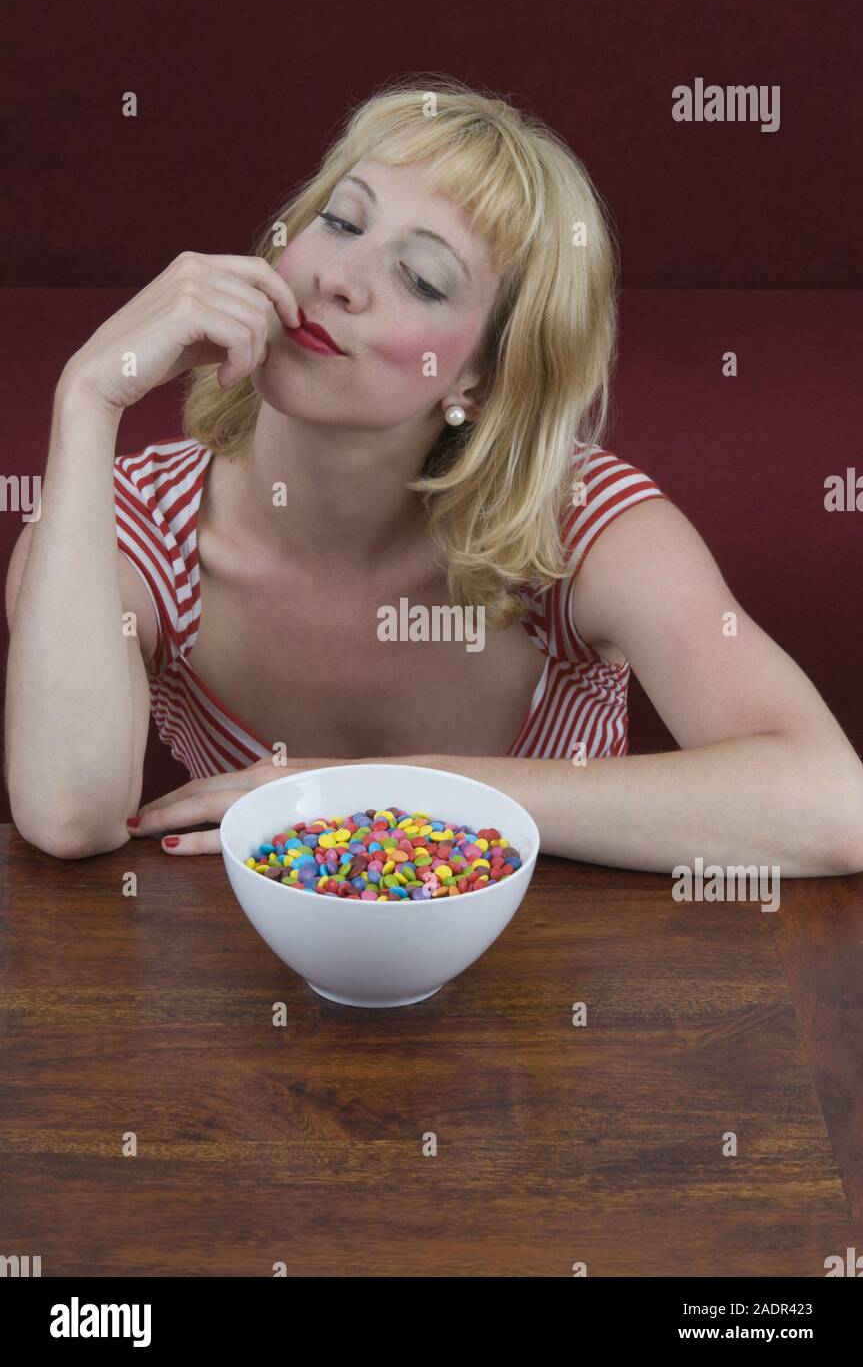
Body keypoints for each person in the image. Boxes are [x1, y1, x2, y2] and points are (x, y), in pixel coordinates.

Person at [6, 76, 862, 874]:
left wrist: (392, 798)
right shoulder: (127, 525)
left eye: (420, 277)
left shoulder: (580, 524)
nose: (338, 278)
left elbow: (833, 805)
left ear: (482, 382)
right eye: (340, 223)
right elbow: (70, 816)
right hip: (267, 1000)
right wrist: (86, 398)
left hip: (546, 1008)